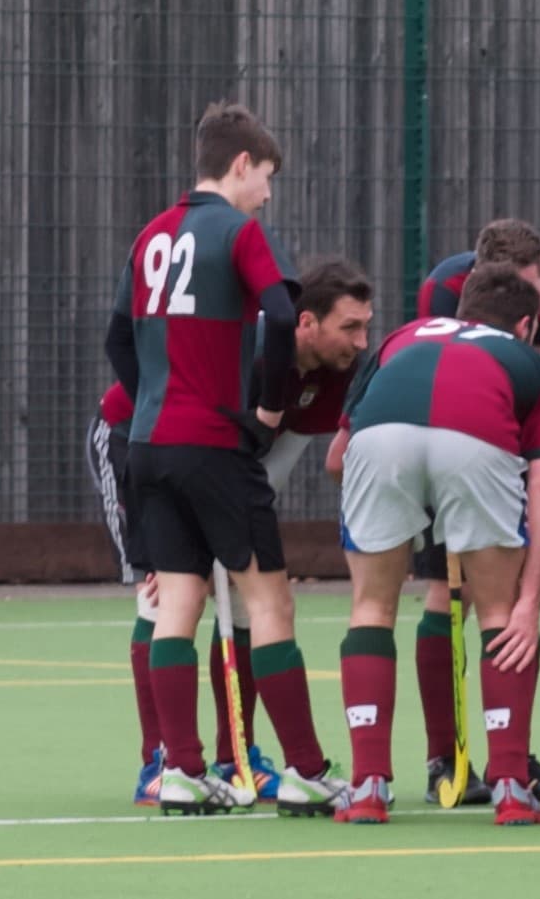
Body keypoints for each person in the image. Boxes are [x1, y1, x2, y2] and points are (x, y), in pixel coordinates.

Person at [104, 100, 348, 816]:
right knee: (269, 601)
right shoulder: (241, 233)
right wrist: (268, 411)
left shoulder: (150, 235)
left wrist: (153, 398)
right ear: (241, 165)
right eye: (266, 176)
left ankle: (179, 770)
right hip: (213, 445)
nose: (267, 193)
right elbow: (282, 314)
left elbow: (117, 337)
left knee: (177, 603)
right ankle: (305, 770)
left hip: (148, 446)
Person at [89, 255, 373, 807]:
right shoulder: (245, 350)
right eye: (350, 327)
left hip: (224, 463)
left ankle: (235, 756)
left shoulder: (335, 371)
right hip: (135, 440)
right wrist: (159, 545)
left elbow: (278, 457)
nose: (362, 342)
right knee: (164, 596)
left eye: (365, 327)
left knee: (244, 603)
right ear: (306, 323)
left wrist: (235, 528)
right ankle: (160, 762)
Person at [331, 263, 540, 825]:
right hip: (477, 441)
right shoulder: (529, 364)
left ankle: (368, 786)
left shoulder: (401, 338)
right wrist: (530, 600)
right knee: (499, 612)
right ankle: (511, 786)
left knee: (371, 608)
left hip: (378, 441)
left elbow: (336, 458)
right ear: (526, 325)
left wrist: (418, 498)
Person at [406, 218, 540, 805]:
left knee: (517, 598)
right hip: (449, 434)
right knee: (446, 592)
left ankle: (512, 755)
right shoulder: (444, 289)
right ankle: (444, 757)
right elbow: (438, 372)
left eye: (530, 289)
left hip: (518, 439)